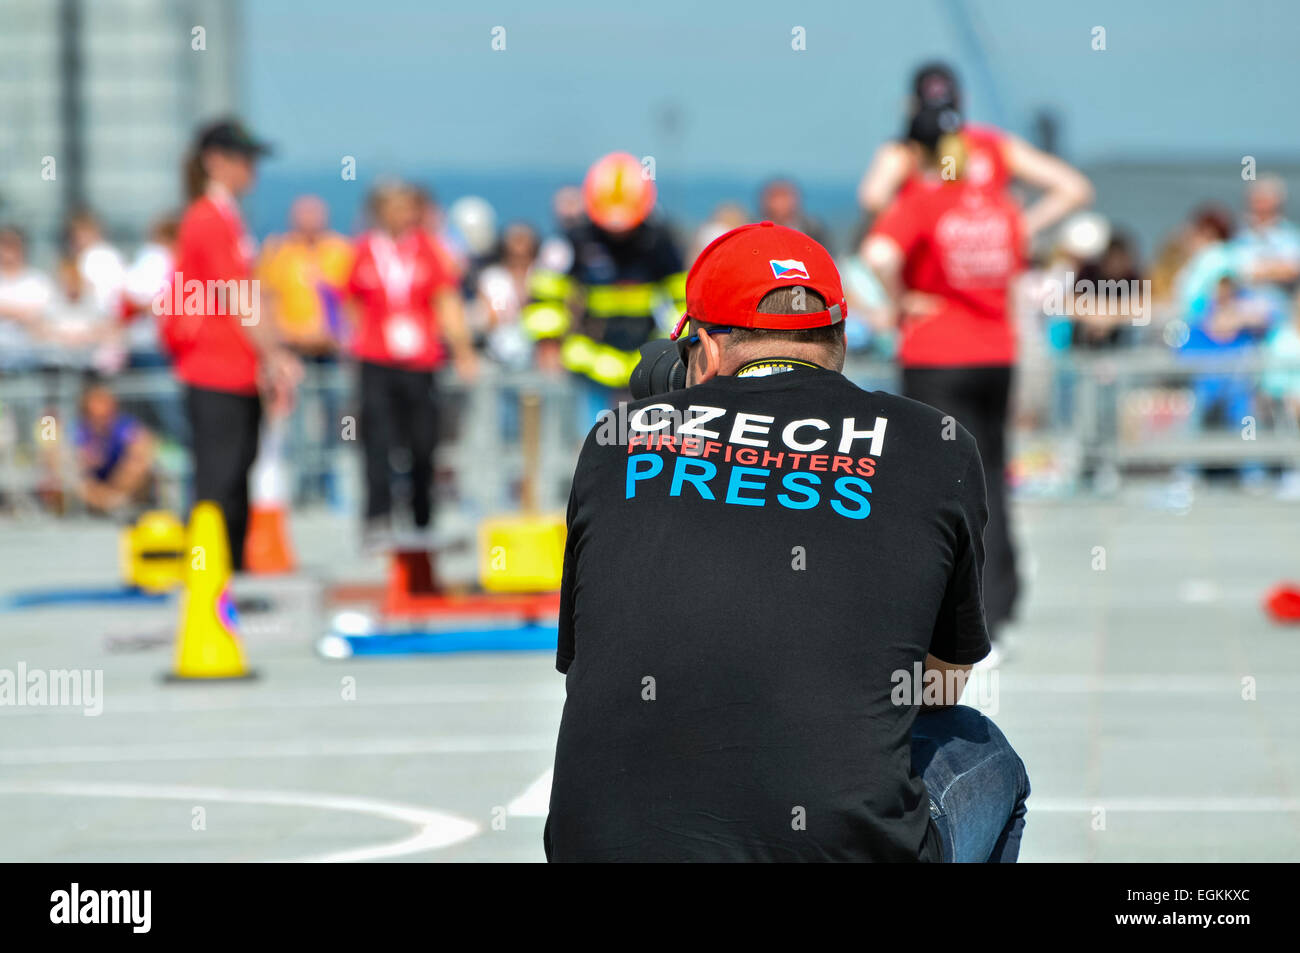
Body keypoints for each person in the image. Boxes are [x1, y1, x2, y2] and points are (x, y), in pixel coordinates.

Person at [545, 222, 1029, 862]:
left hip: (603, 848)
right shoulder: (933, 443)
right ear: (840, 341)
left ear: (707, 353)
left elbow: (587, 665)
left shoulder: (617, 438)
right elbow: (940, 685)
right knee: (977, 749)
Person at [864, 104, 1027, 660]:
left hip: (936, 355)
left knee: (934, 483)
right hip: (997, 355)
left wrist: (897, 302)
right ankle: (997, 612)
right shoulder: (999, 206)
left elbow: (878, 251)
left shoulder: (924, 199)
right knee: (993, 482)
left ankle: (944, 619)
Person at [165, 118, 301, 570]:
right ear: (215, 162)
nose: (252, 171)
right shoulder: (208, 219)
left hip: (236, 370)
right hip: (214, 371)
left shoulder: (227, 219)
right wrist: (277, 355)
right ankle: (211, 578)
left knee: (237, 474)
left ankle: (230, 576)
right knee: (218, 480)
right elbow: (238, 296)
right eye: (244, 160)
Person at [345, 181, 477, 548]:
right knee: (377, 440)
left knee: (423, 441)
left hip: (420, 363)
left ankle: (422, 516)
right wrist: (358, 339)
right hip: (376, 361)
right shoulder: (365, 250)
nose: (403, 215)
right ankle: (377, 516)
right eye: (395, 208)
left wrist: (463, 349)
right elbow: (350, 301)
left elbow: (445, 299)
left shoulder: (427, 250)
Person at [522, 153, 687, 430]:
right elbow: (545, 294)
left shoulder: (660, 241)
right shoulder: (573, 241)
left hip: (646, 356)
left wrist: (678, 345)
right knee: (593, 438)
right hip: (589, 359)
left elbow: (681, 297)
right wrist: (548, 340)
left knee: (642, 439)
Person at [858, 62, 1092, 243]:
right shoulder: (996, 145)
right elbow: (1074, 188)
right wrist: (1017, 229)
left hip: (932, 283)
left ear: (912, 106)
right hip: (988, 275)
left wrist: (918, 230)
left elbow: (873, 198)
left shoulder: (904, 152)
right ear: (962, 100)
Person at [74, 380, 156, 514]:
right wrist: (83, 460)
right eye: (95, 416)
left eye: (105, 415)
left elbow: (143, 447)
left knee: (137, 466)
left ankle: (110, 503)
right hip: (93, 484)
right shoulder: (77, 430)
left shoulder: (126, 426)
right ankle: (106, 504)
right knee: (70, 473)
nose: (101, 420)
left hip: (119, 483)